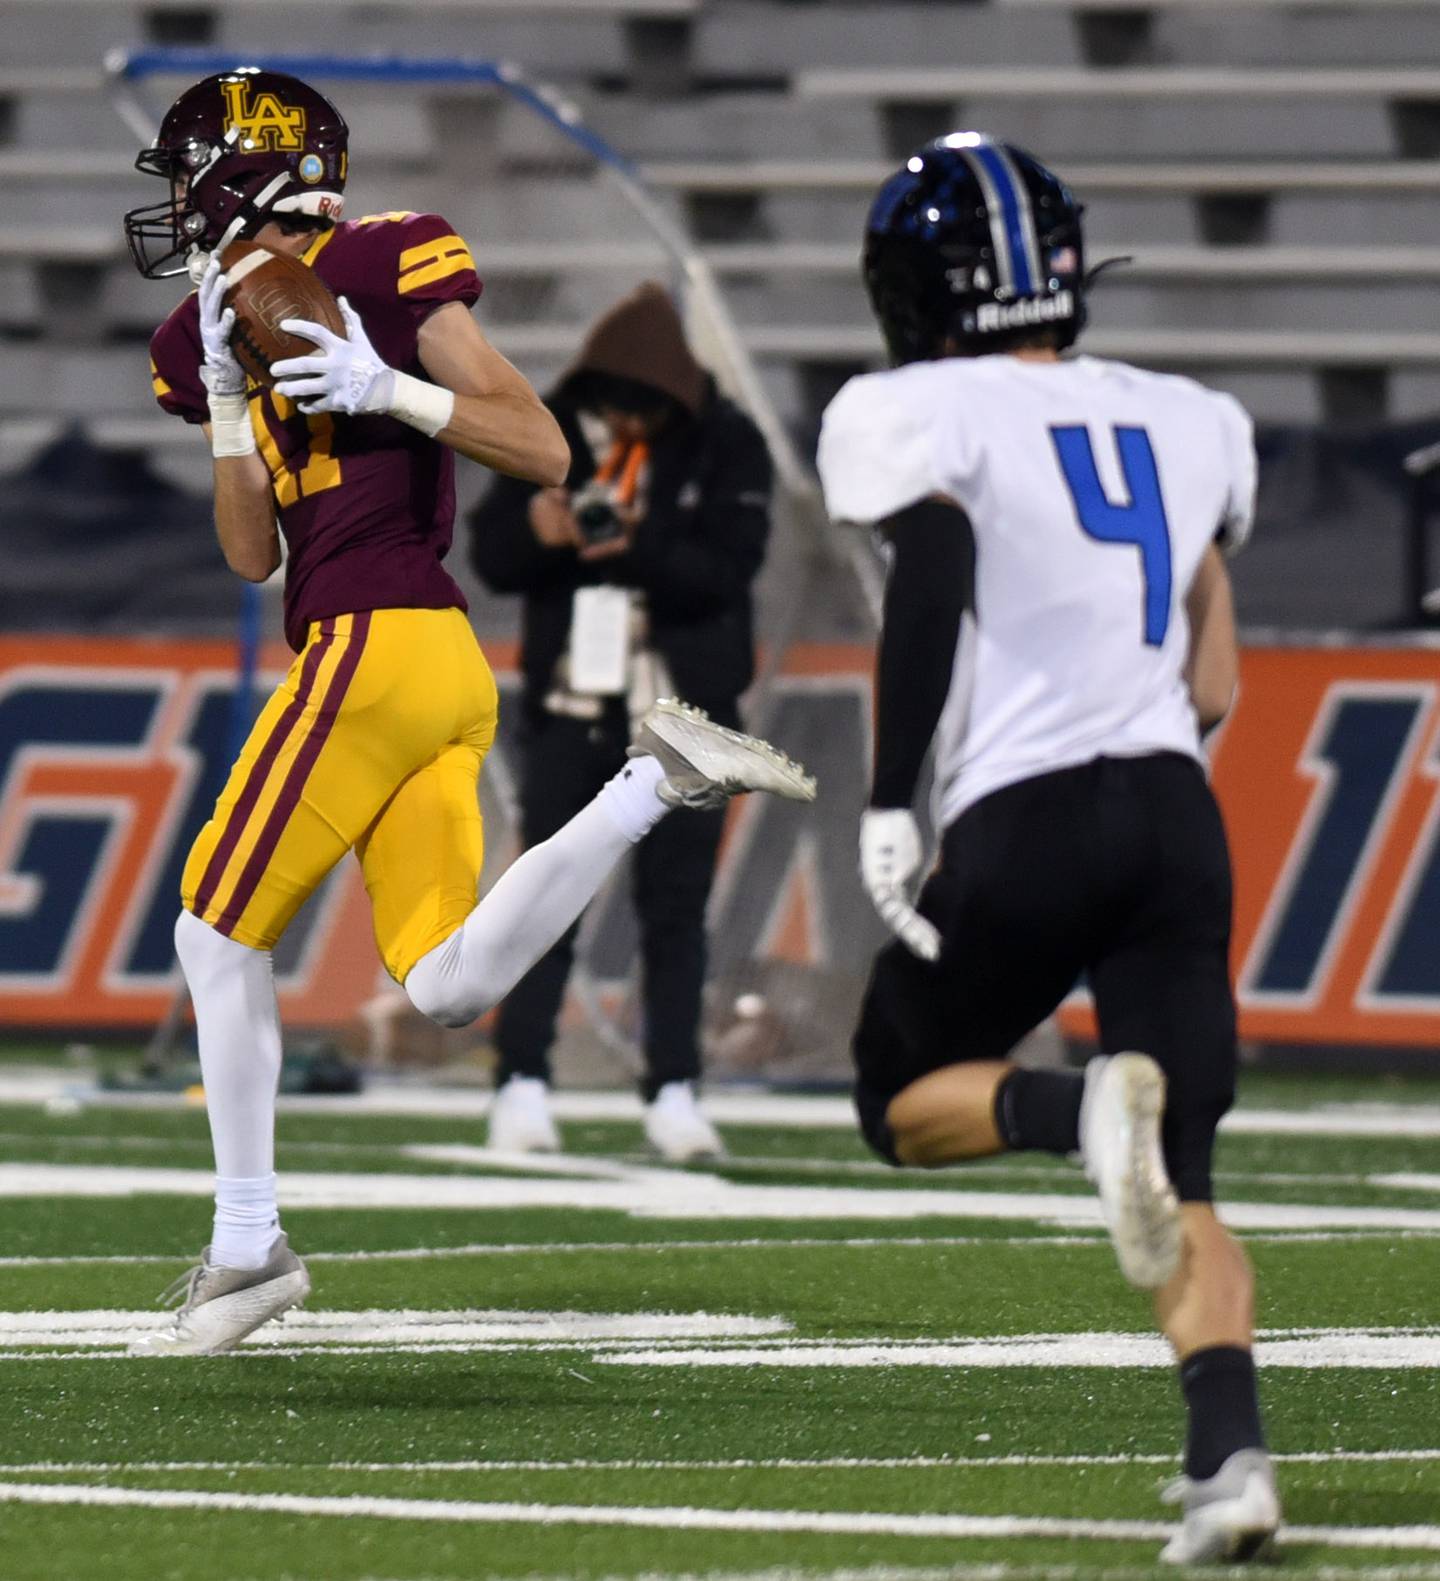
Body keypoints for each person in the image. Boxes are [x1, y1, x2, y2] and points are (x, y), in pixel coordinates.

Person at [127, 67, 815, 1356]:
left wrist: (390, 390)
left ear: (242, 170)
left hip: (376, 642)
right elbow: (247, 556)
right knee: (446, 983)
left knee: (215, 934)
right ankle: (652, 783)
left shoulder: (383, 262)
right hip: (413, 659)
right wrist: (229, 402)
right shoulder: (200, 332)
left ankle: (245, 1245)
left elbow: (544, 448)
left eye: (188, 171)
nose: (174, 199)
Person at [816, 133, 1279, 1565]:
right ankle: (1233, 1461)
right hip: (1173, 811)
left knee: (898, 1098)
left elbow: (940, 565)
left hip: (1029, 811)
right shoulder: (1195, 415)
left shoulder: (904, 405)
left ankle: (1067, 1114)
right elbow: (1214, 676)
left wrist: (894, 797)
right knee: (1187, 1182)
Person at [469, 283, 771, 1162]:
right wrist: (542, 529)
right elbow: (493, 552)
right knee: (544, 897)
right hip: (574, 704)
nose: (623, 422)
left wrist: (634, 544)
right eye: (610, 404)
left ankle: (674, 1088)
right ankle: (521, 1079)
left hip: (683, 718)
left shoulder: (726, 440)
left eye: (639, 408)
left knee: (675, 908)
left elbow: (731, 566)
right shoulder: (550, 427)